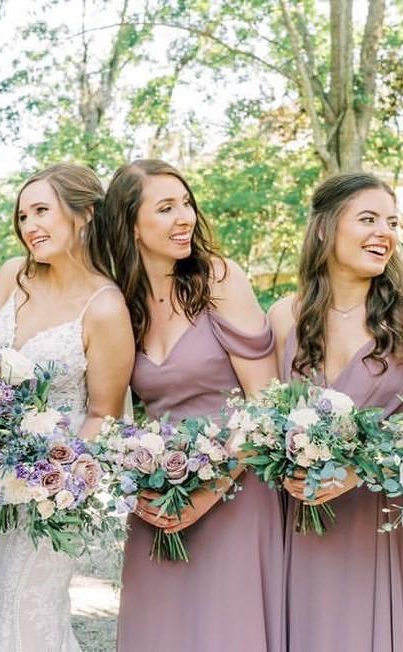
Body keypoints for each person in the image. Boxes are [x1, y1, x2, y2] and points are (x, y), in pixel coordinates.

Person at [101, 159, 285, 652]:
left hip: (238, 490)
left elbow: (266, 402)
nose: (185, 217)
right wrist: (141, 486)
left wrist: (207, 491)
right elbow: (111, 414)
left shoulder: (217, 279)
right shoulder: (120, 305)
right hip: (159, 501)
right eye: (166, 208)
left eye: (186, 204)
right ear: (131, 225)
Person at [269, 172, 403, 652]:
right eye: (368, 219)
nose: (384, 233)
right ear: (323, 228)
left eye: (392, 223)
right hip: (309, 524)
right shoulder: (284, 316)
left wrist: (361, 468)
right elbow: (268, 418)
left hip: (389, 524)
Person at [0, 163, 134, 652]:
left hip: (48, 488)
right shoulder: (14, 274)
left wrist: (51, 476)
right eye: (22, 216)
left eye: (41, 212)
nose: (29, 225)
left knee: (26, 613)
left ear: (84, 214)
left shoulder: (105, 307)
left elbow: (104, 414)